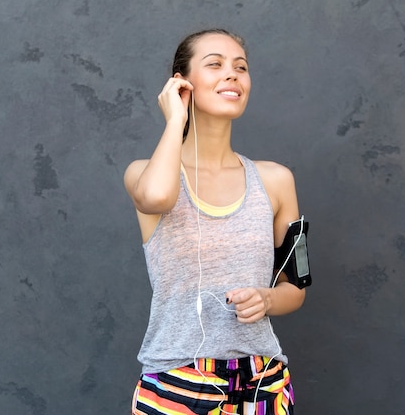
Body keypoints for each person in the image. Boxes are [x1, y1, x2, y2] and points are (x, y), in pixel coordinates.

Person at [124, 29, 307, 415]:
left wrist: (268, 298)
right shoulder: (144, 173)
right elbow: (157, 197)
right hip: (176, 382)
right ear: (180, 82)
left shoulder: (275, 180)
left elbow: (296, 286)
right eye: (215, 65)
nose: (233, 75)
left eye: (241, 67)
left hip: (263, 385)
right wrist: (176, 118)